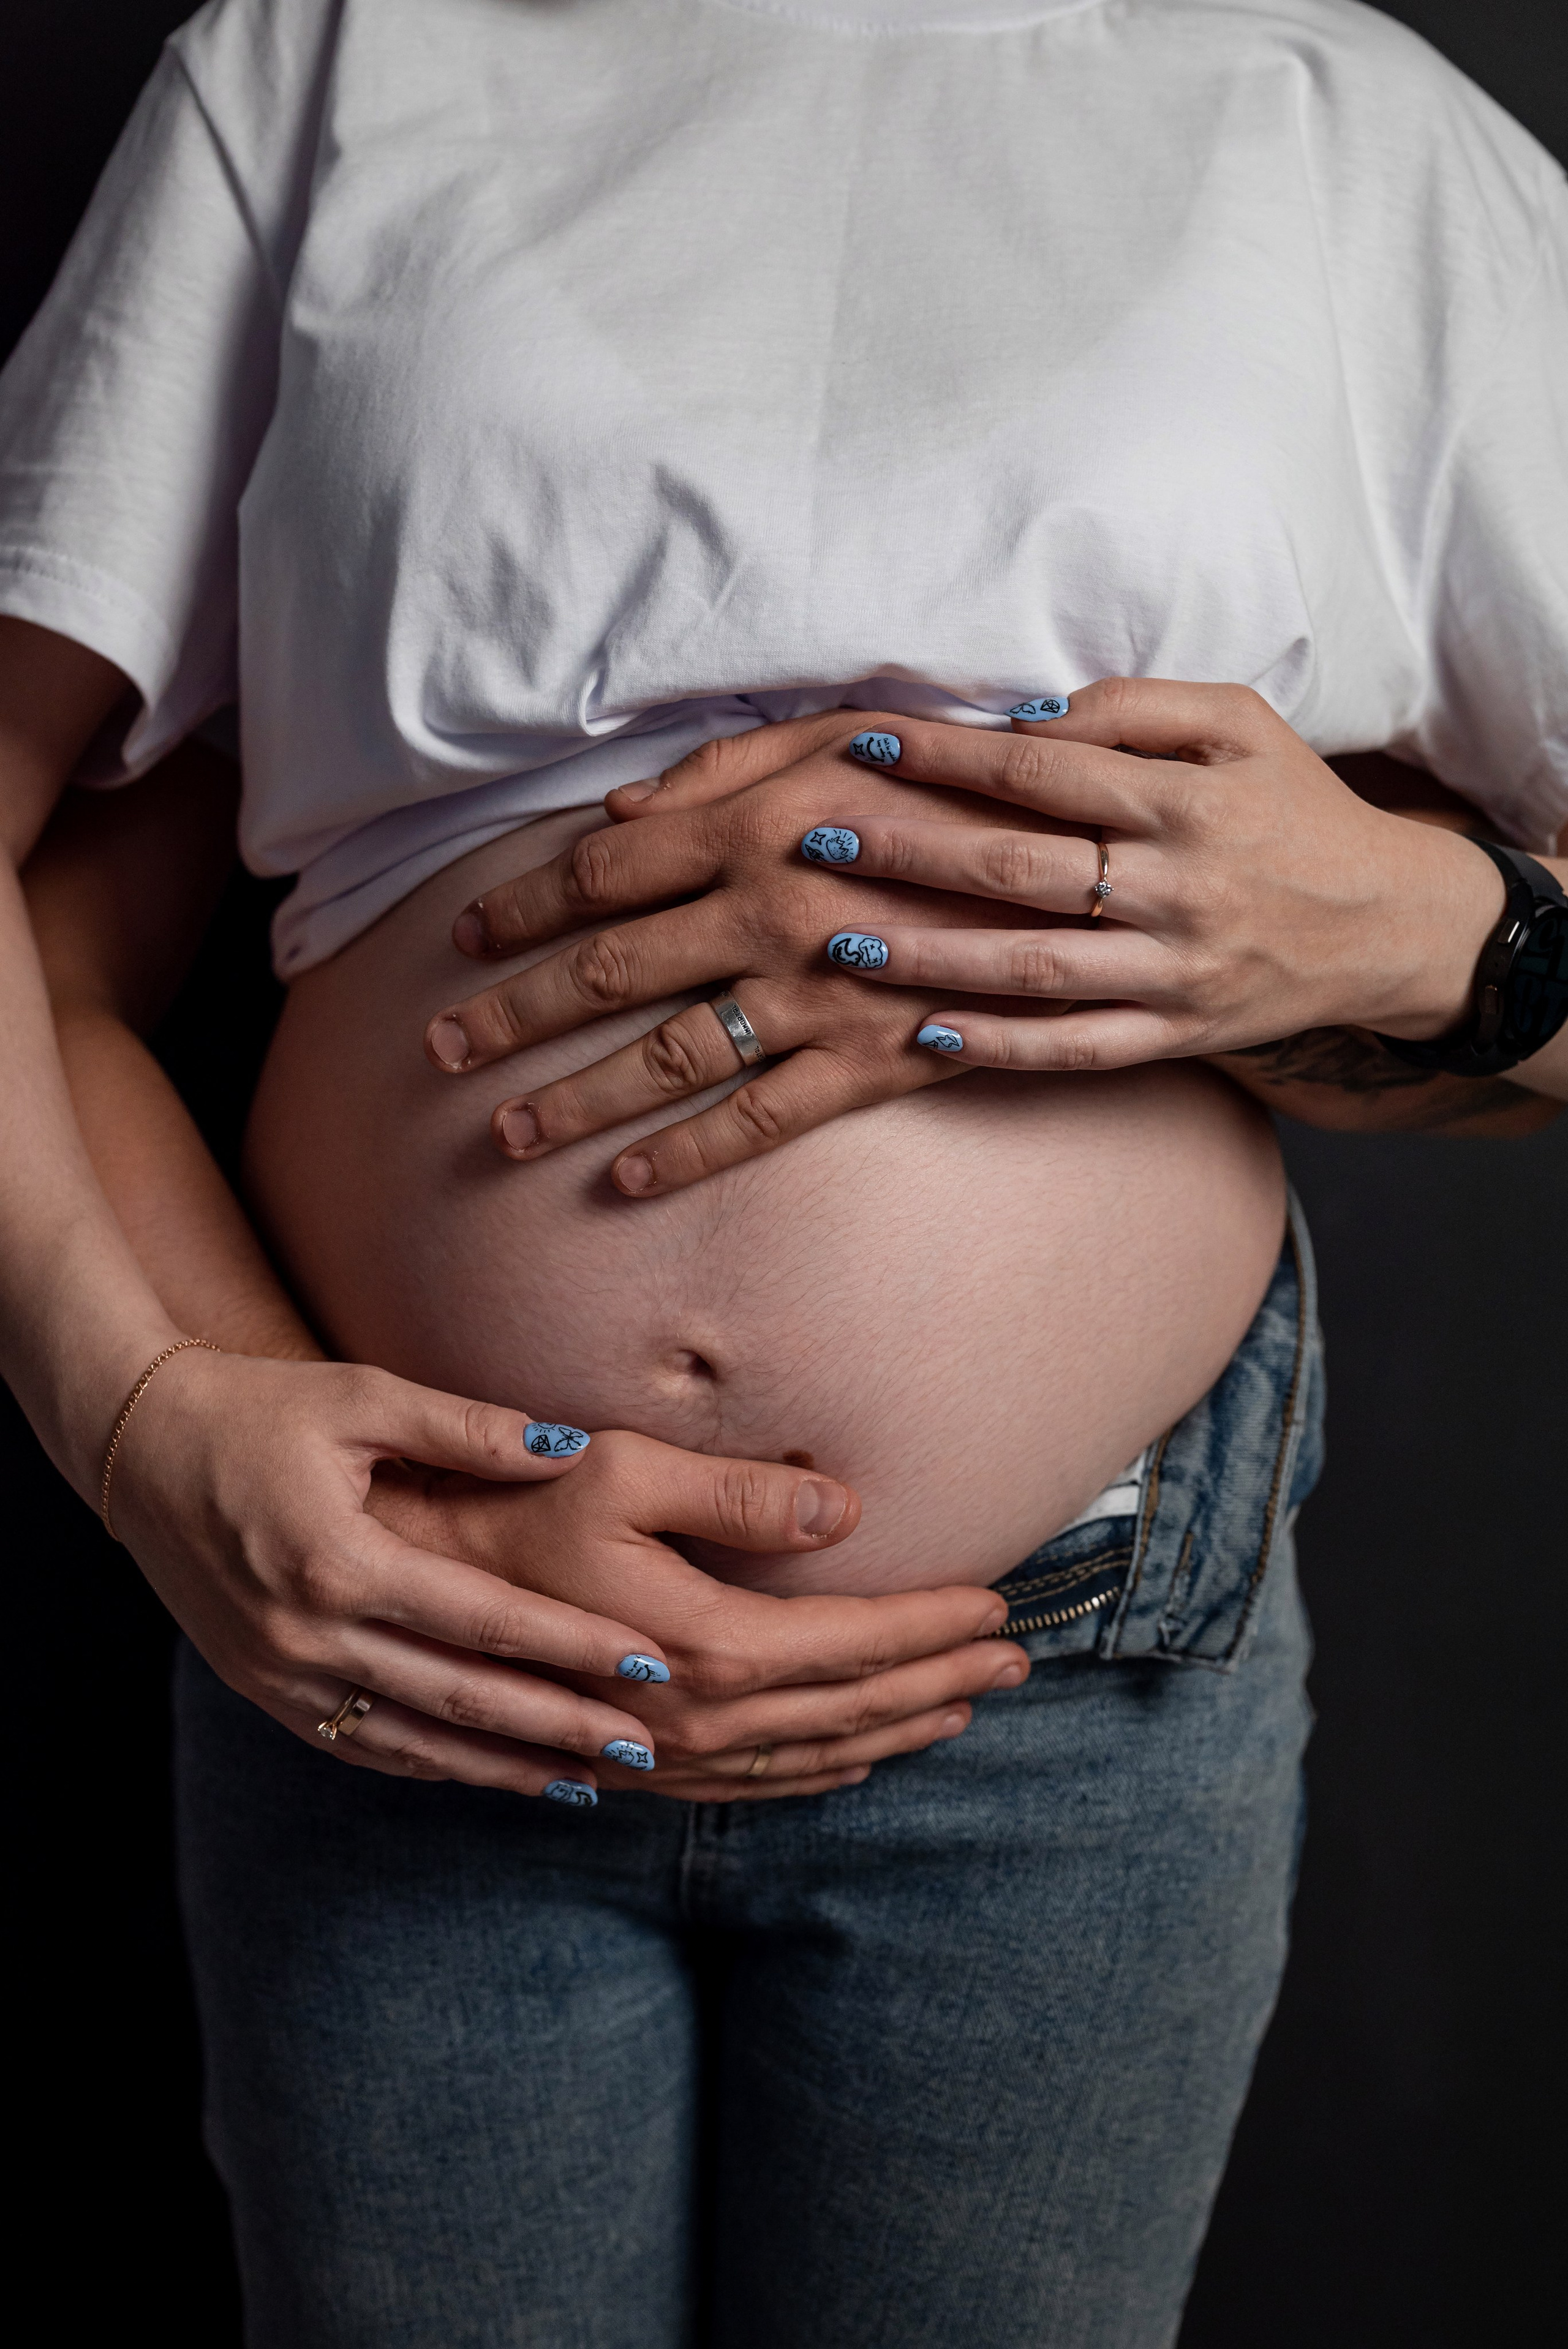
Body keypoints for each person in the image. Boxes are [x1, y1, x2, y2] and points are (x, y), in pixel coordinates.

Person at [2, 2, 1564, 2343]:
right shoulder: (325, 58)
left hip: (1062, 1678)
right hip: (404, 1640)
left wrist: (1451, 928)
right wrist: (148, 1424)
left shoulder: (1328, 118)